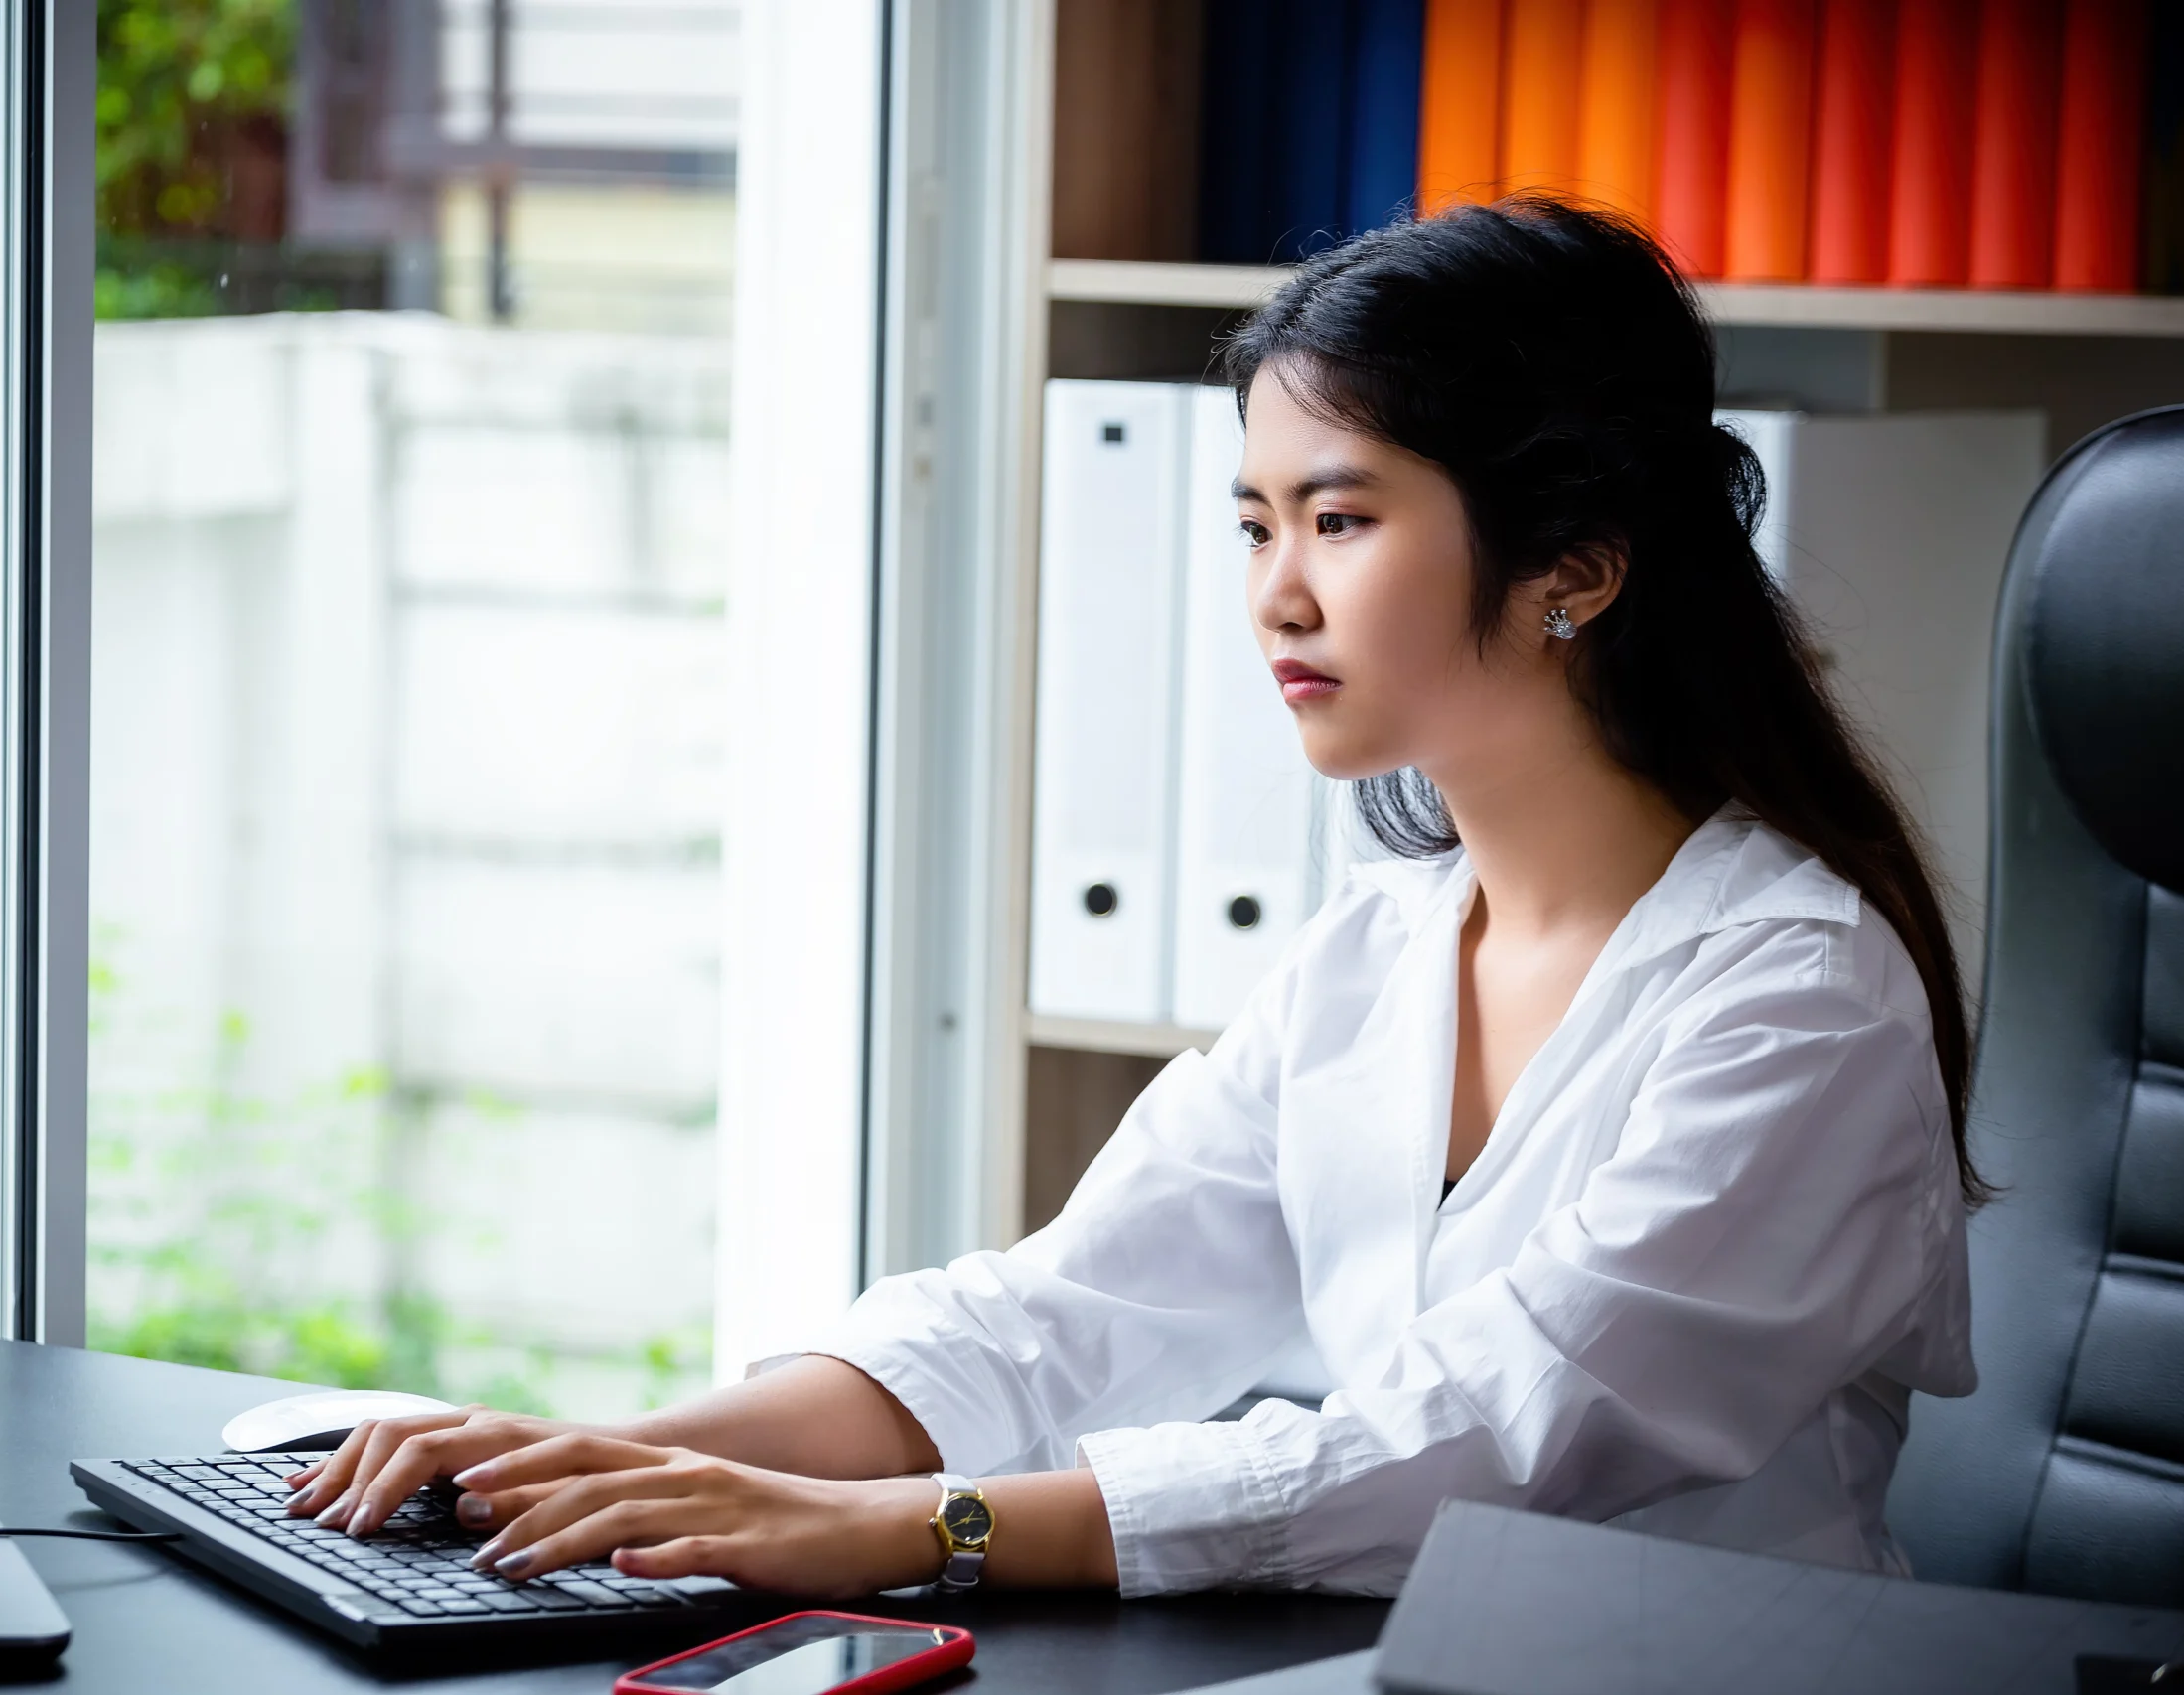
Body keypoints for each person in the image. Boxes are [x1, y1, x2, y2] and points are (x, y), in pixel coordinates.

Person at [281, 198, 1978, 1600]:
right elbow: (1060, 1318)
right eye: (1255, 525)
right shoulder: (1383, 947)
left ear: (1575, 568)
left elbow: (1475, 1442)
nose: (1277, 595)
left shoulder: (1796, 996)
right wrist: (611, 1459)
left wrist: (910, 1526)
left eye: (1340, 518)